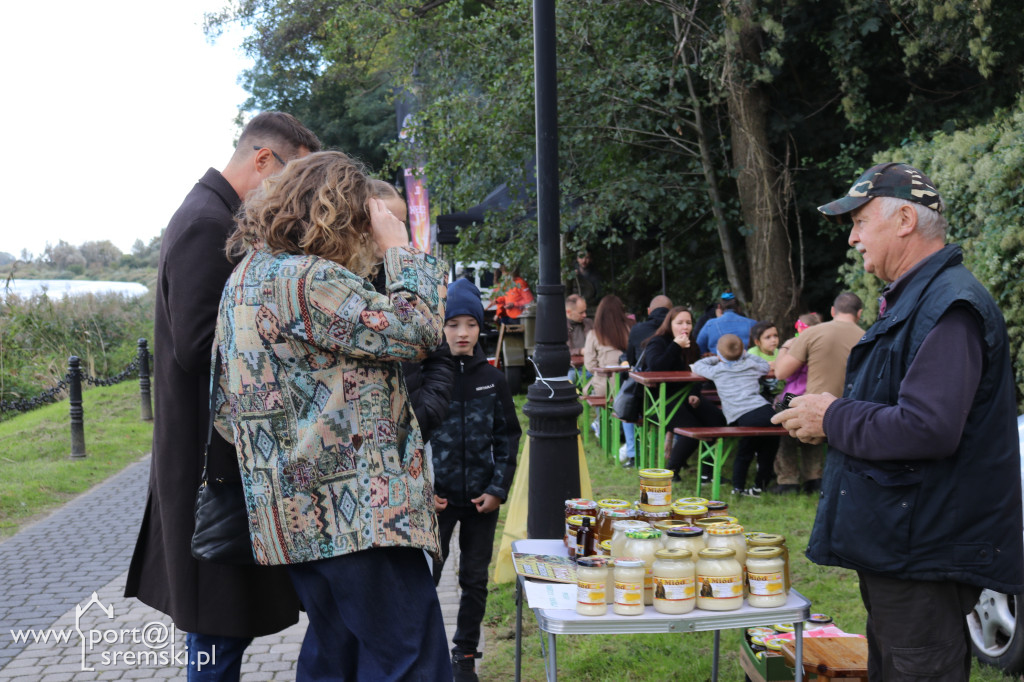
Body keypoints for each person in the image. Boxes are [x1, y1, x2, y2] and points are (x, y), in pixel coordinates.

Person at [772, 162, 1022, 681]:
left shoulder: (949, 305)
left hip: (923, 550)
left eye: (860, 222)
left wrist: (832, 414)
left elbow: (928, 427)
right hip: (903, 546)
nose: (852, 239)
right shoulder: (917, 300)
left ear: (905, 218)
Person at [213, 151, 452, 681]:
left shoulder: (244, 280)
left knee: (334, 660)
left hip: (296, 521)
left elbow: (227, 412)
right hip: (360, 518)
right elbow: (419, 331)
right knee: (408, 664)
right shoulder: (306, 280)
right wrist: (401, 252)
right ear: (342, 217)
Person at [124, 111, 320, 681]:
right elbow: (200, 344)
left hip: (219, 463)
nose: (297, 198)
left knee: (222, 633)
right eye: (293, 179)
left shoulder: (214, 216)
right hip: (210, 470)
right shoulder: (207, 224)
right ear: (263, 160)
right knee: (216, 638)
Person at [430, 278, 521, 682]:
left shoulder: (493, 380)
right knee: (425, 577)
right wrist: (425, 490)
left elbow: (508, 437)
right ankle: (424, 651)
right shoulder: (428, 376)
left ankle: (464, 655)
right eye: (453, 324)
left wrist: (498, 489)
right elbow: (410, 437)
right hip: (438, 501)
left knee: (474, 580)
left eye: (470, 323)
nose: (462, 333)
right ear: (440, 326)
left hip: (483, 500)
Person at [368, 180, 455, 443]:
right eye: (388, 221)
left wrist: (426, 412)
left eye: (401, 222)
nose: (397, 231)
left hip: (415, 430)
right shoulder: (343, 283)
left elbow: (439, 352)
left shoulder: (412, 279)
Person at [772, 293, 863, 494]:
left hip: (811, 405)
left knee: (785, 413)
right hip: (850, 408)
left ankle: (788, 480)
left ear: (833, 311)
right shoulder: (867, 336)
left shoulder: (813, 333)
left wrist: (786, 346)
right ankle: (814, 478)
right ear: (860, 313)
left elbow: (781, 372)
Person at [640, 306, 726, 479]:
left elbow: (695, 371)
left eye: (688, 323)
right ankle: (672, 471)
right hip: (660, 400)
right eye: (679, 323)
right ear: (669, 324)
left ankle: (707, 472)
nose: (684, 327)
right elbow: (656, 368)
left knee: (717, 420)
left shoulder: (691, 343)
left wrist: (694, 392)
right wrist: (675, 346)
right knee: (692, 430)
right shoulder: (658, 342)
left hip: (686, 396)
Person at [692, 334, 778, 496]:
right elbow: (765, 366)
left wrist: (716, 358)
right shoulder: (752, 365)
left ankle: (738, 487)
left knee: (745, 452)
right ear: (743, 351)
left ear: (719, 353)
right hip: (766, 411)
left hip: (744, 415)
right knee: (768, 450)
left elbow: (698, 365)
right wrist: (745, 355)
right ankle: (760, 485)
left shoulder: (717, 370)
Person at [583, 294, 632, 398]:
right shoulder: (630, 331)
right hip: (627, 384)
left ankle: (600, 415)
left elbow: (590, 365)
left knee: (590, 390)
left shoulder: (594, 334)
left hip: (604, 386)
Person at [626, 294, 672, 367]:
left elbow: (630, 360)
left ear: (649, 311)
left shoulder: (636, 329)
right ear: (672, 312)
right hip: (674, 376)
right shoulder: (676, 329)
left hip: (644, 375)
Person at [747, 321, 783, 400]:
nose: (773, 340)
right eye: (768, 337)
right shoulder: (752, 353)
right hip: (760, 395)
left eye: (775, 336)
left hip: (780, 392)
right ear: (757, 342)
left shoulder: (779, 352)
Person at [565, 293, 593, 382]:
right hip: (571, 368)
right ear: (568, 312)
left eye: (585, 311)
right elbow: (562, 351)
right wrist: (580, 351)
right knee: (571, 375)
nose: (585, 315)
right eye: (581, 312)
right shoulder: (560, 327)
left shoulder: (589, 323)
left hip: (592, 366)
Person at [571, 249, 602, 314]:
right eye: (581, 257)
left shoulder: (595, 275)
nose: (584, 261)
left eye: (587, 257)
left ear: (591, 259)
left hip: (589, 306)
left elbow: (598, 295)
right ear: (577, 258)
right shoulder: (571, 271)